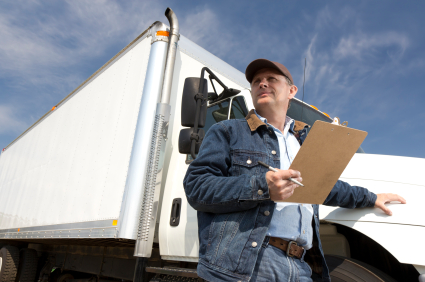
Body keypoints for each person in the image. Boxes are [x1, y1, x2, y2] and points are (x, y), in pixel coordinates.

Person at [183, 59, 406, 282]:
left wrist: (371, 197)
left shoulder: (304, 142)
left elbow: (326, 187)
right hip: (248, 264)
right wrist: (263, 187)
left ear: (291, 91)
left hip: (302, 266)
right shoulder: (228, 130)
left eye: (271, 79)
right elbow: (196, 187)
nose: (262, 84)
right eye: (256, 81)